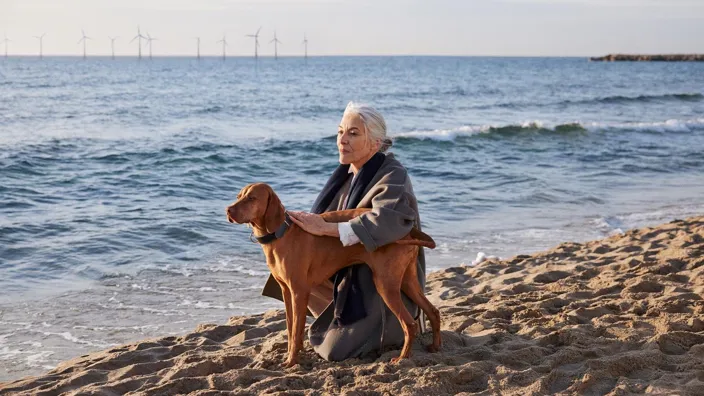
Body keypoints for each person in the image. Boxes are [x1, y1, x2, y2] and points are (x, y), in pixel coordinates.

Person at [261, 101, 427, 361]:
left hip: (378, 281)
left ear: (375, 143)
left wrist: (330, 229)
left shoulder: (393, 175)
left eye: (353, 133)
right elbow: (319, 225)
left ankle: (384, 330)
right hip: (346, 271)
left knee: (333, 351)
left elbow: (389, 222)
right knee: (291, 272)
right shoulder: (346, 174)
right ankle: (338, 323)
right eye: (340, 132)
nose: (342, 140)